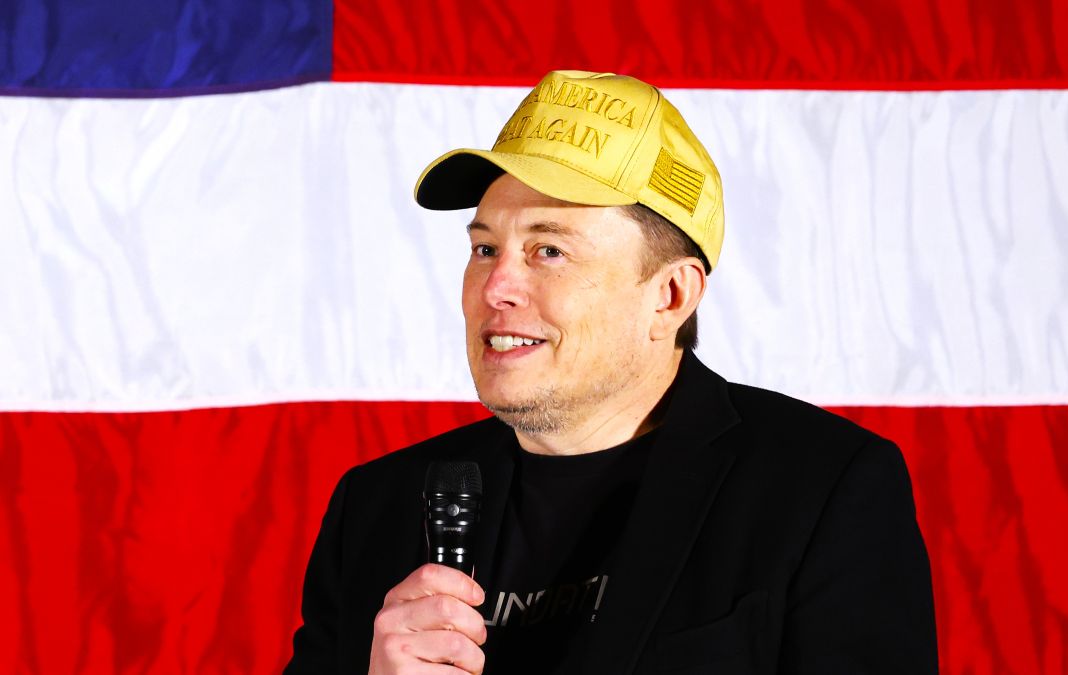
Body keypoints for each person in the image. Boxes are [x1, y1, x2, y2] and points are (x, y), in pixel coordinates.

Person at [284, 69, 937, 675]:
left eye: (549, 250)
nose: (496, 287)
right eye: (485, 248)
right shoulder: (376, 505)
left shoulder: (817, 490)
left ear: (670, 297)